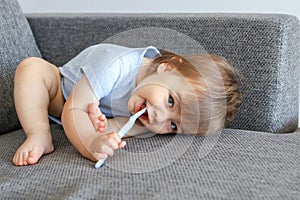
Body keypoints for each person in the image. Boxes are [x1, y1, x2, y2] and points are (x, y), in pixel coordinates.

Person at [12, 43, 242, 166]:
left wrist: (105, 137)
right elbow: (75, 109)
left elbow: (113, 127)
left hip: (89, 115)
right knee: (32, 69)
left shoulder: (150, 116)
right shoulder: (116, 64)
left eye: (173, 126)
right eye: (171, 101)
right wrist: (91, 143)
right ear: (169, 67)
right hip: (60, 95)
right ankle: (39, 134)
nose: (159, 118)